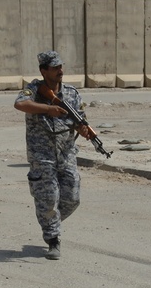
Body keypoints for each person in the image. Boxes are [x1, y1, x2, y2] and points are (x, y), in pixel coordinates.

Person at [14, 51, 93, 260]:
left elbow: (81, 120)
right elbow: (20, 104)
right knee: (48, 199)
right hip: (41, 154)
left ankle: (50, 221)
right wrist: (47, 109)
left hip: (66, 153)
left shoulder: (72, 93)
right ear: (43, 70)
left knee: (73, 198)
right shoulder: (33, 90)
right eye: (55, 67)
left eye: (61, 66)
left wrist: (84, 130)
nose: (60, 71)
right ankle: (53, 239)